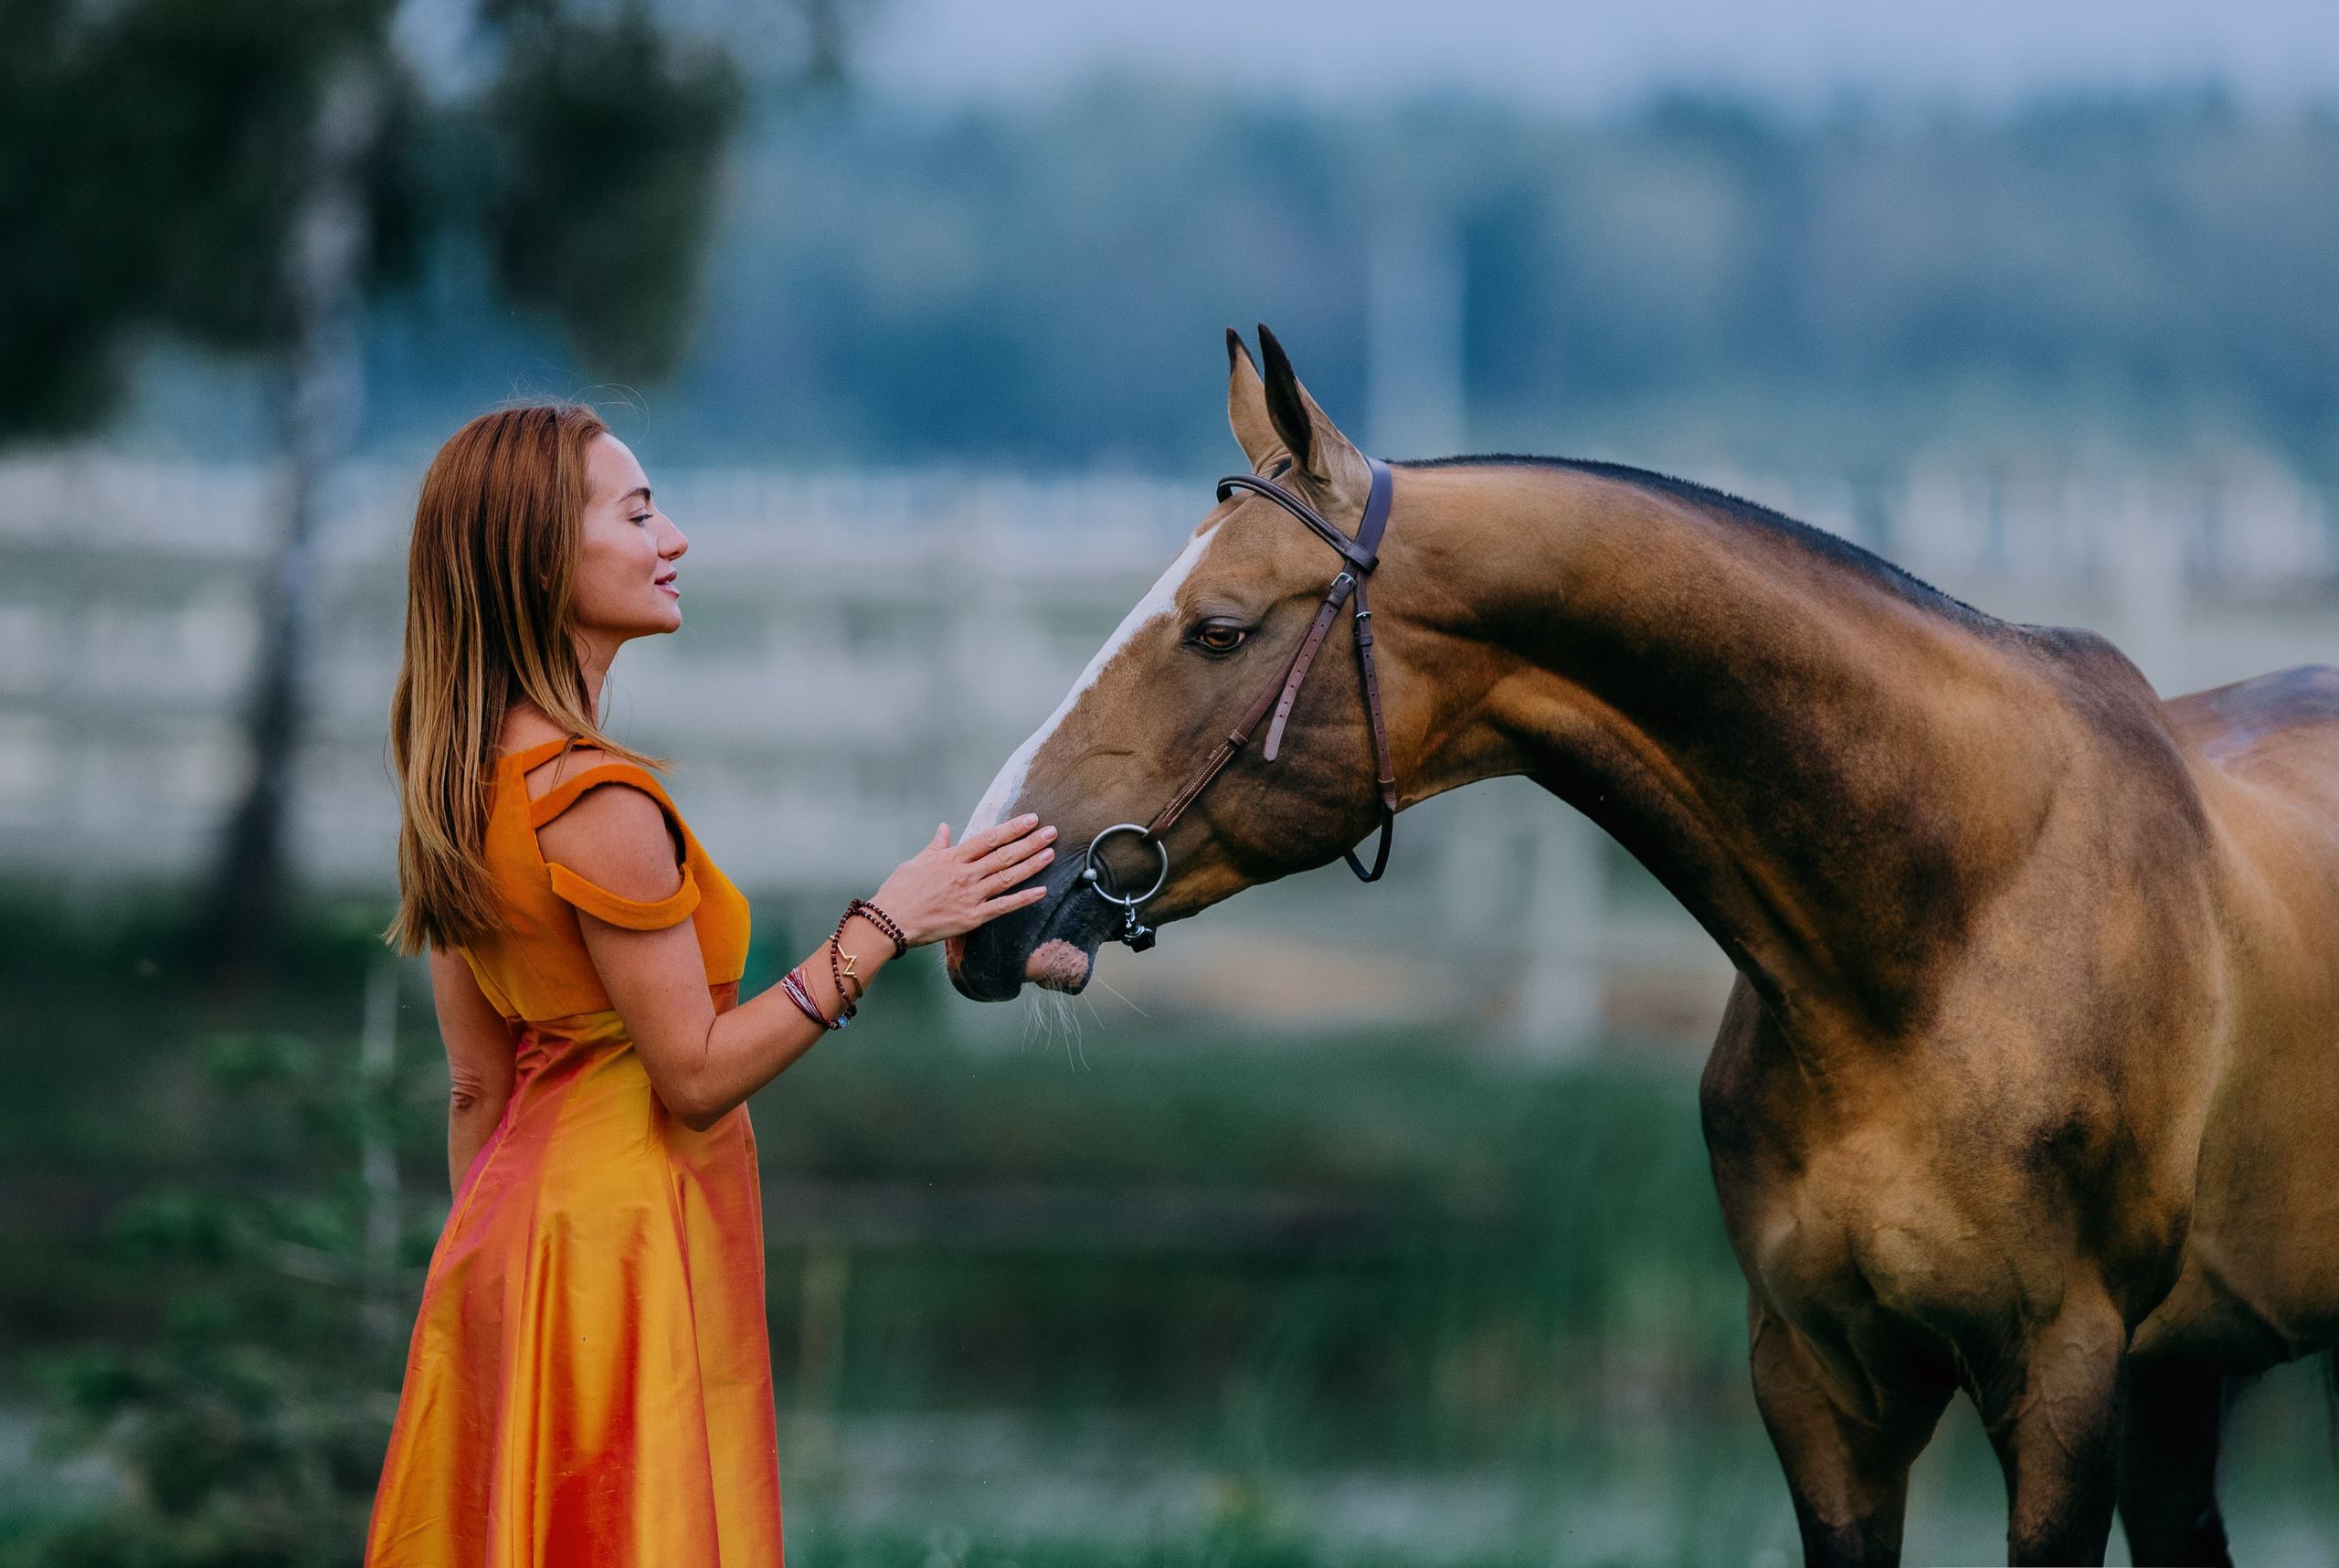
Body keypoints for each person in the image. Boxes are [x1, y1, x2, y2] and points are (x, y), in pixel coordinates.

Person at [365, 404, 1054, 1565]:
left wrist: (494, 1288)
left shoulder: (463, 782)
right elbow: (690, 1074)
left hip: (507, 1242)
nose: (673, 538)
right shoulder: (597, 802)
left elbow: (477, 1092)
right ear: (543, 555)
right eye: (638, 514)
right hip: (619, 1236)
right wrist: (886, 923)